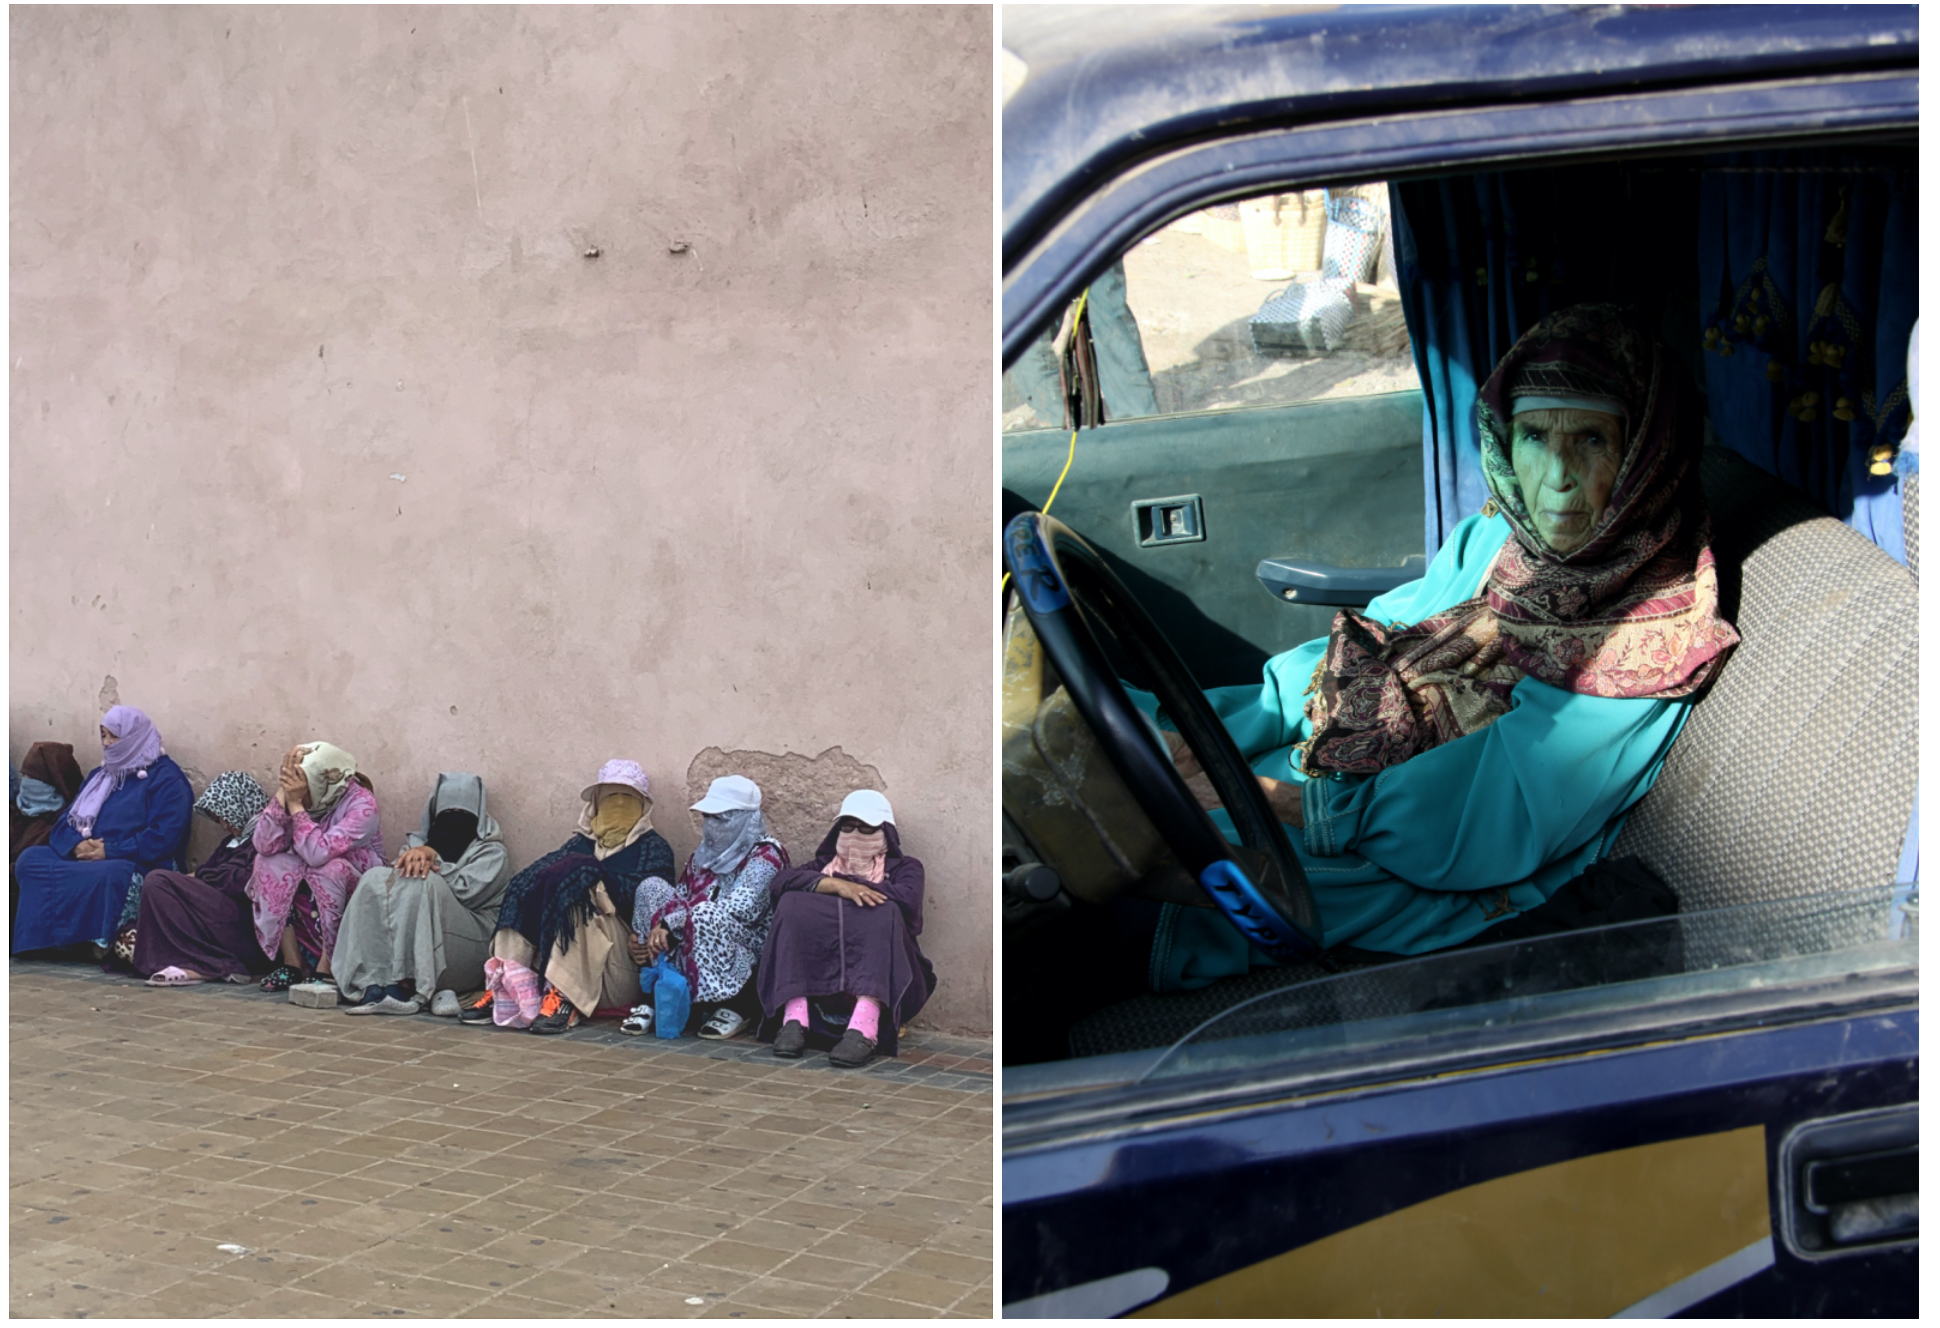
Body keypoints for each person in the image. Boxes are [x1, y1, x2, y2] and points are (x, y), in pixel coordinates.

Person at [1140, 302, 1739, 986]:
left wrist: (1261, 795)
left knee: (1152, 862)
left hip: (1428, 855)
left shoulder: (1647, 640)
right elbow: (1374, 642)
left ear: (1643, 460)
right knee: (1119, 737)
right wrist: (1207, 735)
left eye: (1593, 442)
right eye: (1535, 437)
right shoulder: (1503, 541)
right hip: (1340, 776)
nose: (1557, 478)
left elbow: (1490, 815)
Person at [465, 759, 675, 1033]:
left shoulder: (655, 850)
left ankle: (564, 999)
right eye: (612, 797)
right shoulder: (578, 845)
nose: (620, 806)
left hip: (620, 970)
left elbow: (658, 908)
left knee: (578, 898)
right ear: (597, 803)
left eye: (628, 798)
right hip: (559, 959)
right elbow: (540, 878)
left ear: (643, 806)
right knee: (523, 889)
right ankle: (506, 989)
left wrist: (596, 882)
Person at [758, 790, 935, 1068]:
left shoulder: (905, 868)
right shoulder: (823, 867)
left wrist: (854, 887)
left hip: (890, 983)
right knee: (792, 902)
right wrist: (836, 885)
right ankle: (795, 1017)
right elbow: (781, 882)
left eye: (866, 828)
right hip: (821, 989)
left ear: (885, 832)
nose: (856, 835)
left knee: (884, 911)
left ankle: (865, 1028)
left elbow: (908, 900)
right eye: (848, 826)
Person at [12, 708, 193, 955]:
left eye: (114, 736)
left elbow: (165, 836)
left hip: (133, 859)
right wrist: (75, 844)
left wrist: (111, 850)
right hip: (86, 854)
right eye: (103, 736)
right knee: (30, 860)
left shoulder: (166, 778)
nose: (107, 744)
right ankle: (50, 942)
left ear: (135, 736)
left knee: (113, 873)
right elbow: (65, 821)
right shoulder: (101, 775)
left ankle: (98, 943)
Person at [332, 772, 509, 1015]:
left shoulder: (492, 853)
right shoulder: (414, 847)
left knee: (423, 883)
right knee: (374, 878)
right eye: (446, 814)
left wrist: (433, 859)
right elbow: (394, 894)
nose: (453, 821)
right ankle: (373, 979)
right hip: (427, 936)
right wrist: (418, 855)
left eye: (462, 815)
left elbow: (465, 894)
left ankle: (411, 982)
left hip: (469, 948)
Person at [625, 775, 787, 1039]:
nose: (711, 826)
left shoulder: (766, 856)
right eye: (708, 817)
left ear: (745, 819)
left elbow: (740, 909)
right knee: (651, 887)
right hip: (691, 930)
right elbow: (682, 895)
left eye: (720, 818)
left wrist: (673, 923)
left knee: (706, 914)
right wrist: (660, 925)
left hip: (745, 944)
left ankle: (735, 1006)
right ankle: (655, 993)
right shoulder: (705, 854)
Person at [248, 742, 385, 991]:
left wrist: (296, 806)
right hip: (310, 866)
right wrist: (282, 792)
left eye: (300, 785)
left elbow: (318, 853)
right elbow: (263, 843)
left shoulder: (363, 805)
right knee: (268, 862)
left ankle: (328, 965)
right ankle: (293, 963)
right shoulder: (301, 794)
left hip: (352, 878)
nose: (295, 792)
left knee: (329, 870)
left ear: (321, 783)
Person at [130, 771, 273, 984]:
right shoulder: (230, 843)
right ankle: (200, 964)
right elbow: (211, 875)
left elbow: (246, 881)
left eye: (225, 818)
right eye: (219, 821)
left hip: (244, 924)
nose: (225, 826)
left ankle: (211, 965)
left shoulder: (266, 839)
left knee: (158, 881)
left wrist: (201, 876)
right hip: (217, 914)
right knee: (136, 927)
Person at [11, 741, 85, 924]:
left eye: (34, 778)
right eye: (25, 775)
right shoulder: (15, 813)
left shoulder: (65, 828)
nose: (27, 783)